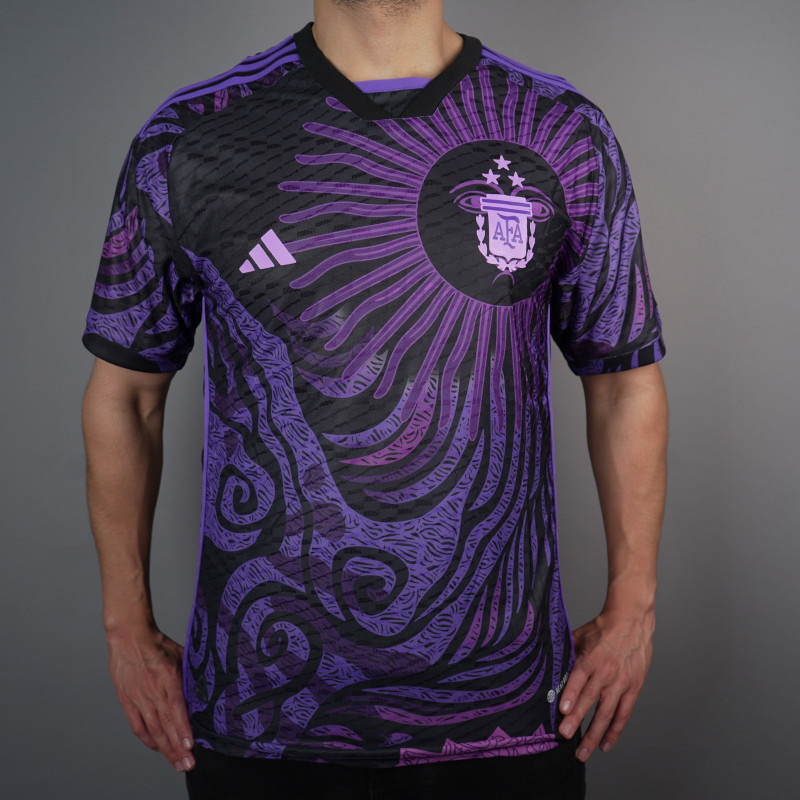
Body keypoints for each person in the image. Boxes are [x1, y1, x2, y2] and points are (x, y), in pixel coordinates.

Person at [80, 1, 668, 798]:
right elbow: (126, 395)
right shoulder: (192, 135)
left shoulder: (562, 131)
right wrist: (124, 627)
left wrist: (635, 605)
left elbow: (624, 381)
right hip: (262, 716)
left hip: (506, 714)